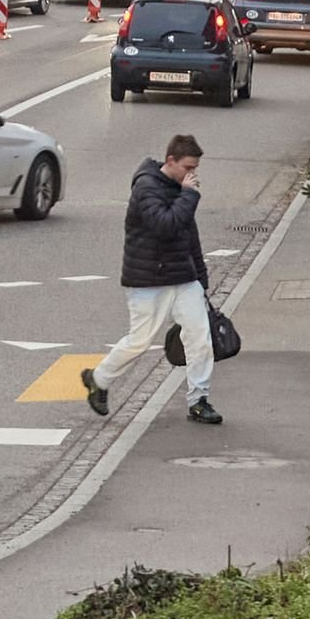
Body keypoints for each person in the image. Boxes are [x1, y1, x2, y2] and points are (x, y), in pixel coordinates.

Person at [84, 131, 221, 426]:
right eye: (187, 167)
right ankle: (98, 378)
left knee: (200, 338)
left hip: (183, 278)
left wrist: (201, 278)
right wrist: (189, 195)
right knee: (139, 341)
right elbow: (165, 226)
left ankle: (199, 399)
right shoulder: (146, 188)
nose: (192, 174)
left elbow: (189, 234)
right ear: (171, 161)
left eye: (195, 169)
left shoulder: (180, 188)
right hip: (148, 280)